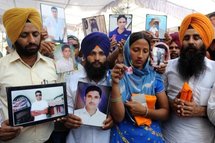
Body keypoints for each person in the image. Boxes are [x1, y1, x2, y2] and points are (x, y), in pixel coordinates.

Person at [0, 8, 58, 142]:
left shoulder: (53, 65)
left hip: (48, 139)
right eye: (24, 35)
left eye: (35, 34)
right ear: (14, 37)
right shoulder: (1, 67)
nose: (31, 40)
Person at [162, 13, 215, 143]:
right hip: (169, 137)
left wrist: (200, 111)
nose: (191, 41)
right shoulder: (167, 67)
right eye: (186, 38)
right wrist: (171, 104)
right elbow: (157, 99)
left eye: (196, 37)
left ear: (205, 41)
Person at [110, 31, 169, 143]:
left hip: (150, 137)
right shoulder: (116, 75)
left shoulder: (154, 78)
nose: (140, 55)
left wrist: (145, 111)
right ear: (127, 49)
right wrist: (116, 83)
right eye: (136, 50)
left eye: (145, 51)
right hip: (123, 137)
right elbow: (118, 117)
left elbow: (165, 113)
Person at [64, 32, 113, 143]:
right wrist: (68, 119)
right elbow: (66, 113)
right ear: (85, 56)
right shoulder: (72, 80)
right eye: (92, 53)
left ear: (107, 56)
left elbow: (120, 113)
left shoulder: (114, 81)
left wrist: (114, 121)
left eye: (101, 53)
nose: (97, 58)